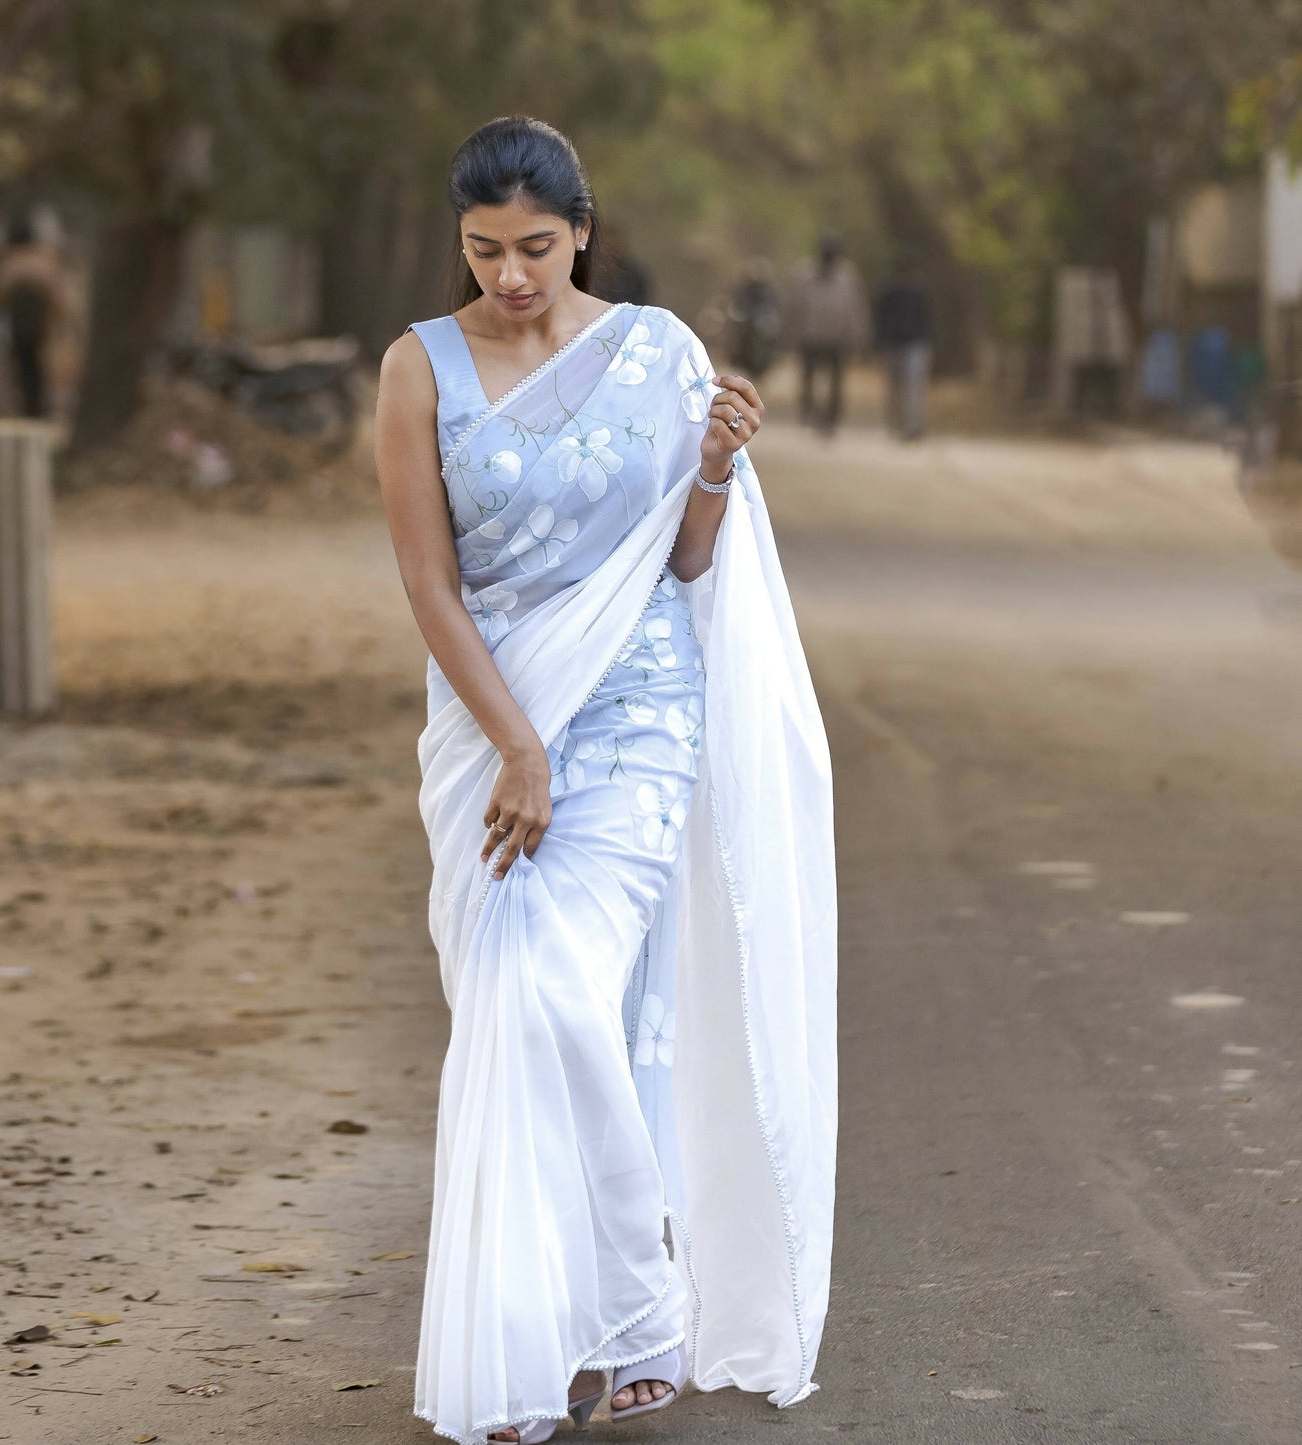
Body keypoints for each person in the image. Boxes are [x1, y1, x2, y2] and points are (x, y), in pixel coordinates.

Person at [374, 116, 837, 1445]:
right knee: (522, 1003)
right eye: (481, 251)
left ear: (581, 231)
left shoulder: (659, 354)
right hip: (489, 718)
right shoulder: (419, 368)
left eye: (532, 247)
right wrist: (517, 743)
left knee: (552, 986)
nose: (508, 276)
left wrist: (711, 467)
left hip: (636, 714)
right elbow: (427, 582)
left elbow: (689, 565)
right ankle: (591, 1321)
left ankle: (626, 1312)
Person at [0, 210, 70, 418]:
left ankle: (31, 402)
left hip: (22, 317)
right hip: (38, 317)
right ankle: (38, 402)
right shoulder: (42, 259)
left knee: (24, 360)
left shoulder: (9, 261)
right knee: (37, 359)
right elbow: (55, 290)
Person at [790, 234, 870, 433]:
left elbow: (855, 309)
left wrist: (858, 336)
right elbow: (796, 306)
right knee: (808, 379)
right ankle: (808, 412)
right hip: (810, 337)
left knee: (836, 381)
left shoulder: (847, 276)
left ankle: (831, 418)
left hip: (837, 338)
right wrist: (793, 333)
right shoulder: (805, 274)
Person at [874, 258, 931, 441]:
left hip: (915, 344)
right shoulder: (889, 294)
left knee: (914, 388)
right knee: (894, 388)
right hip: (894, 345)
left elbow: (926, 319)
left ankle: (913, 426)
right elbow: (881, 319)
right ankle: (895, 424)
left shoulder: (918, 293)